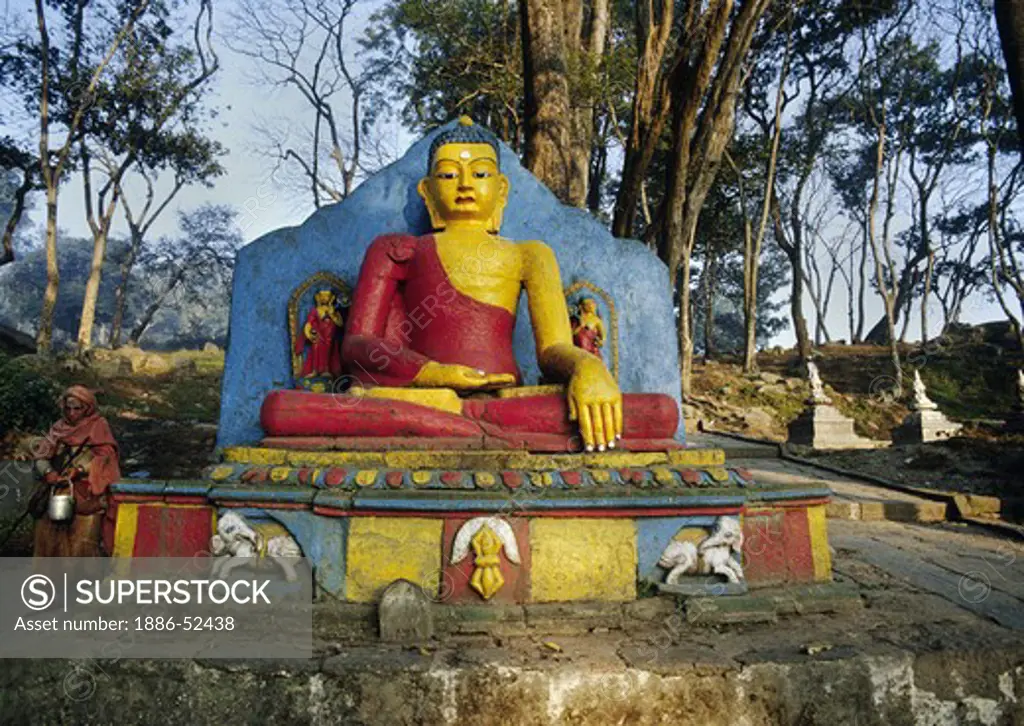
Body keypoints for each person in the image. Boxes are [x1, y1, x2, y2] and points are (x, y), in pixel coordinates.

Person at [261, 117, 677, 452]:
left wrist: (588, 368)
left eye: (479, 173)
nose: (463, 184)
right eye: (448, 174)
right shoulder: (395, 249)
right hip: (423, 394)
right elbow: (357, 347)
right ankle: (471, 427)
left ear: (500, 190)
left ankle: (448, 426)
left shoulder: (529, 254)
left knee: (659, 412)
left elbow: (552, 350)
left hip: (504, 403)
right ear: (427, 192)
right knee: (279, 410)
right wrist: (434, 376)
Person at [32, 386, 120, 557]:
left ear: (87, 408)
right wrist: (48, 472)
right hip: (57, 490)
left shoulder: (98, 426)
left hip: (87, 491)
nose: (72, 413)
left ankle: (81, 581)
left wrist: (80, 470)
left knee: (83, 542)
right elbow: (41, 456)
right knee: (48, 539)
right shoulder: (58, 428)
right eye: (68, 408)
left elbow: (106, 457)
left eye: (77, 408)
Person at [295, 289, 344, 378]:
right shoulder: (316, 310)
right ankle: (315, 370)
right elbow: (309, 323)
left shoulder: (333, 310)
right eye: (322, 296)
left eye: (327, 296)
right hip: (319, 335)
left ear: (331, 298)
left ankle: (326, 369)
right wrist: (308, 333)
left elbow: (340, 323)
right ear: (318, 298)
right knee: (316, 349)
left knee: (328, 352)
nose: (324, 298)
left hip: (330, 337)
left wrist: (332, 315)